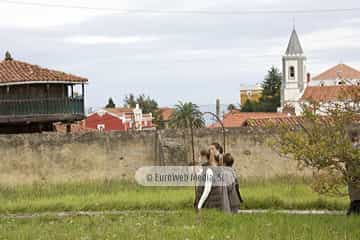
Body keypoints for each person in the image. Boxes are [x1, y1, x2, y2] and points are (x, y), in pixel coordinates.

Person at [195, 147, 230, 213]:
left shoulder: (209, 170)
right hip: (212, 201)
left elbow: (207, 190)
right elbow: (198, 174)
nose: (199, 159)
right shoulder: (210, 168)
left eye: (200, 157)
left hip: (210, 202)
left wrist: (199, 205)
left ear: (205, 158)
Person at [347, 127, 360, 216]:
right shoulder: (354, 148)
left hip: (353, 174)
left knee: (355, 196)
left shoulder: (350, 148)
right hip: (354, 174)